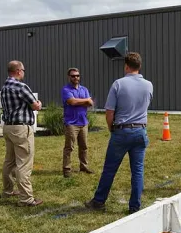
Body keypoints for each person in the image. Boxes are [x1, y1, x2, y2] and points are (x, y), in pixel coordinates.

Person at [85, 52, 153, 214]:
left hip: (122, 130)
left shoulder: (118, 84)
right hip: (140, 130)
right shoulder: (148, 85)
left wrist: (111, 128)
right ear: (139, 66)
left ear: (126, 66)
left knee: (110, 168)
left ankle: (99, 200)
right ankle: (135, 206)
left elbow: (109, 112)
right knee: (137, 170)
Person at [0, 60, 43, 207]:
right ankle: (26, 198)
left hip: (8, 127)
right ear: (18, 71)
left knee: (9, 161)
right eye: (23, 70)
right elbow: (35, 105)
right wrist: (39, 104)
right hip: (21, 129)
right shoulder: (21, 86)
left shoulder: (5, 87)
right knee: (24, 163)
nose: (24, 73)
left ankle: (8, 190)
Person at [61, 67, 94, 178]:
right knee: (69, 147)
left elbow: (90, 103)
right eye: (73, 76)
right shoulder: (66, 90)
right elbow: (72, 102)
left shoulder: (84, 89)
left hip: (83, 122)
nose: (76, 77)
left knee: (84, 146)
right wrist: (84, 101)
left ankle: (83, 166)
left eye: (77, 75)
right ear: (69, 77)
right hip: (71, 123)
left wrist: (79, 101)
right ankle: (67, 169)